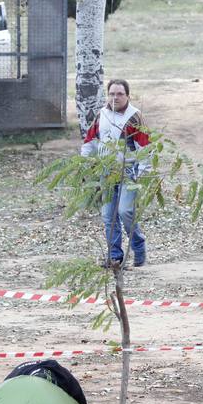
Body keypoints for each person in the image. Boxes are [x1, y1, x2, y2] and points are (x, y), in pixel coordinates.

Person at [81, 79, 149, 268]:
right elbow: (90, 141)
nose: (115, 98)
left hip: (129, 172)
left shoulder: (135, 117)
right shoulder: (101, 115)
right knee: (108, 215)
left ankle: (138, 244)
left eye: (119, 94)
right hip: (106, 171)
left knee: (125, 211)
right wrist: (85, 164)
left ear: (127, 95)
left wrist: (142, 174)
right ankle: (115, 256)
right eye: (111, 94)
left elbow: (145, 148)